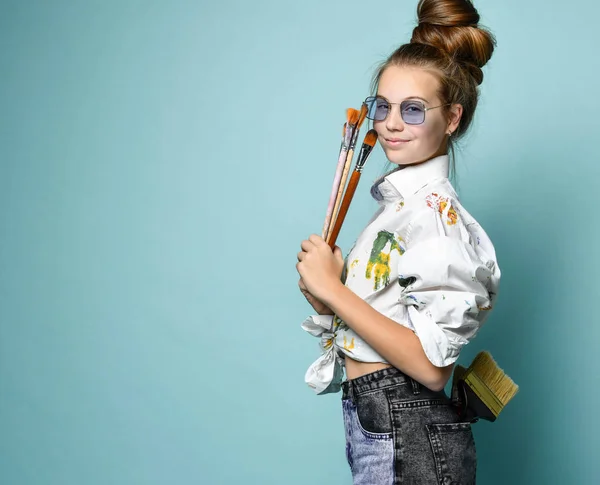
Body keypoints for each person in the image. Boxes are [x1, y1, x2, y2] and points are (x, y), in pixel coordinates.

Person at [295, 0, 499, 483]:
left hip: (406, 423)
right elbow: (385, 324)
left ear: (451, 118)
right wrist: (326, 297)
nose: (389, 123)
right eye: (382, 106)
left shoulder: (435, 217)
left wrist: (336, 291)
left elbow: (432, 370)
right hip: (383, 419)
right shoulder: (398, 211)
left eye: (412, 109)